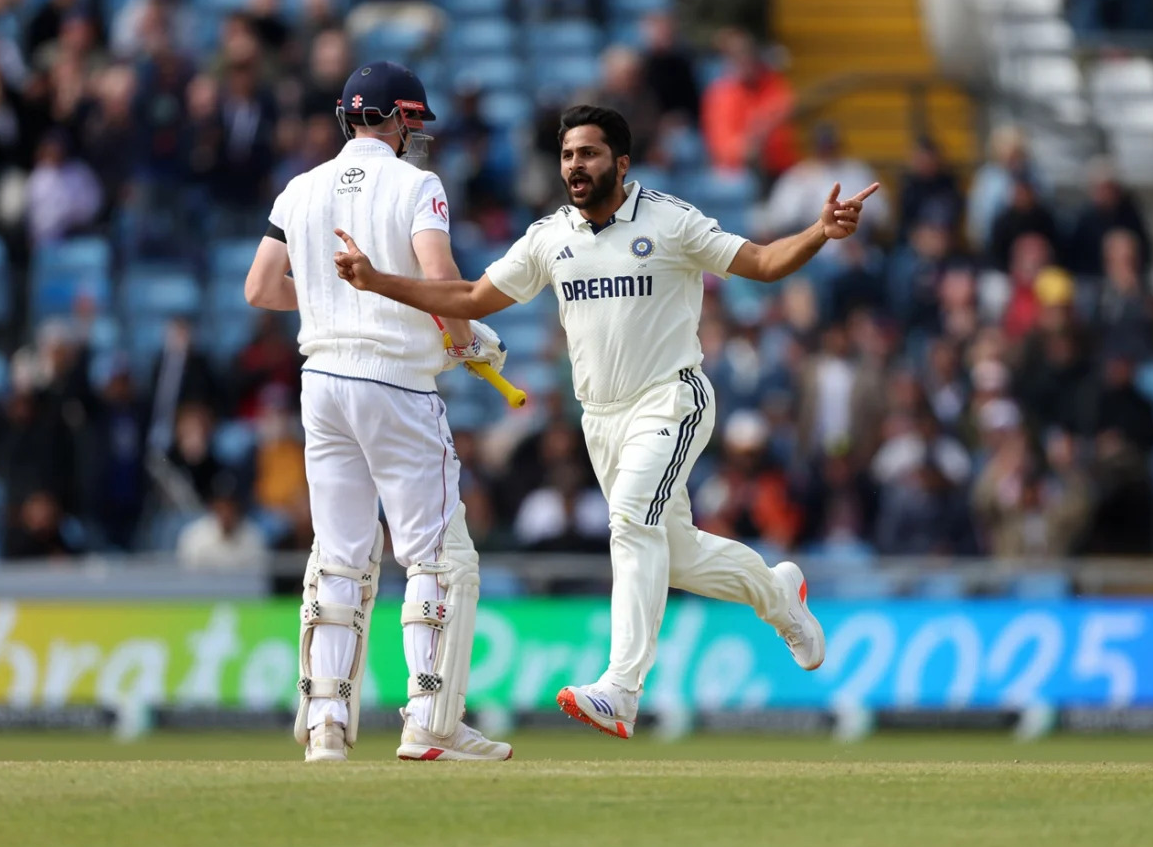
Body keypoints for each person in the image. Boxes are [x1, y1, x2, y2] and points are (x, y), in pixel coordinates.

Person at [334, 104, 878, 739]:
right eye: (567, 155)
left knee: (628, 522)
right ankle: (780, 597)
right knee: (671, 553)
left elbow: (759, 262)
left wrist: (819, 232)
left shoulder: (671, 221)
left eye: (588, 154)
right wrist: (377, 281)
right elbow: (474, 298)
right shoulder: (549, 236)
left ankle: (621, 688)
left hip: (671, 398)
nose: (575, 166)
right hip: (602, 420)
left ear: (621, 162)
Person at [244, 61, 511, 762]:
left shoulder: (299, 189)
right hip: (395, 381)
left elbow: (260, 287)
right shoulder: (417, 184)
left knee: (339, 556)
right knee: (436, 555)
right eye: (410, 124)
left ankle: (325, 726)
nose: (412, 137)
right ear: (397, 119)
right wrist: (464, 341)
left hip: (322, 381)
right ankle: (430, 722)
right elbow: (441, 278)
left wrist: (341, 305)